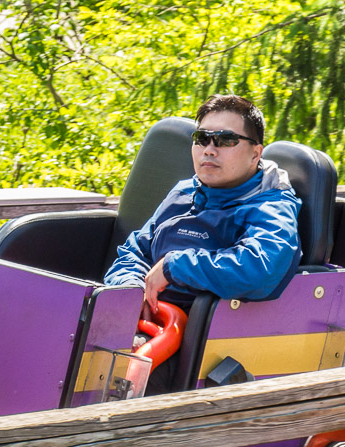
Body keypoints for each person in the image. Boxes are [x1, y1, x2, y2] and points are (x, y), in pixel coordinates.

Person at [103, 95, 302, 314]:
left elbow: (260, 269)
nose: (209, 149)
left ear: (255, 154)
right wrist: (130, 289)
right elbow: (136, 251)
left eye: (226, 140)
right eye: (201, 138)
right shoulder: (184, 191)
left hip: (204, 334)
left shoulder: (270, 206)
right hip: (136, 321)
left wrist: (174, 267)